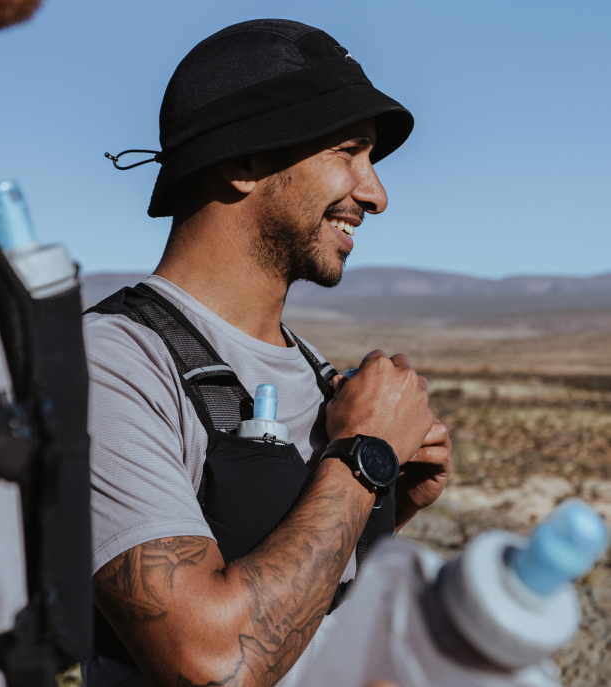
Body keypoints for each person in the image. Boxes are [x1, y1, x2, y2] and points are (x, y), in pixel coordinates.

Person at [83, 19, 453, 687]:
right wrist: (366, 455)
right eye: (348, 150)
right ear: (244, 160)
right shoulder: (110, 364)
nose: (376, 194)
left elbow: (316, 616)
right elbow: (214, 666)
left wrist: (390, 501)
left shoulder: (315, 370)